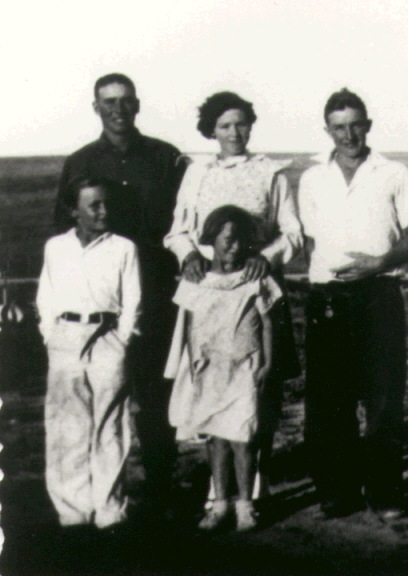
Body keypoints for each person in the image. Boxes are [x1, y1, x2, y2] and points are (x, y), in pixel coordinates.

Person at [54, 73, 186, 520]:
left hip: (157, 293)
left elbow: (184, 221)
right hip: (102, 302)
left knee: (155, 397)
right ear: (96, 108)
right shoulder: (80, 162)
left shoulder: (165, 157)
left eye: (125, 100)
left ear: (137, 105)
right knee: (96, 400)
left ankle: (160, 489)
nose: (118, 109)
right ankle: (95, 498)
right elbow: (63, 234)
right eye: (108, 101)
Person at [163, 91, 304, 501]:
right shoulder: (197, 174)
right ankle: (219, 486)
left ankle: (256, 482)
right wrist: (189, 255)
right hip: (210, 291)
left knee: (260, 382)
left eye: (241, 123)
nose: (234, 132)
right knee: (210, 379)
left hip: (257, 288)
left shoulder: (271, 173)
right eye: (224, 125)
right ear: (211, 130)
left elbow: (293, 232)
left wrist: (266, 257)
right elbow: (178, 231)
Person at [297, 88, 408, 519]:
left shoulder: (393, 172)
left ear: (368, 125)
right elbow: (313, 241)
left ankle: (385, 492)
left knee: (383, 398)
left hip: (379, 295)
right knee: (329, 400)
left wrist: (379, 263)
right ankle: (338, 490)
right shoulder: (313, 178)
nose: (348, 134)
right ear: (327, 130)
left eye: (356, 125)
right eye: (339, 127)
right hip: (329, 299)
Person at [164, 205, 282, 532]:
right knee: (216, 439)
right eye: (227, 239)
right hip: (209, 371)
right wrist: (194, 370)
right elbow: (189, 329)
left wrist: (267, 364)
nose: (234, 247)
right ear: (210, 240)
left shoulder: (256, 279)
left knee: (243, 437)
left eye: (241, 240)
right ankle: (219, 505)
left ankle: (245, 506)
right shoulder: (197, 281)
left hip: (245, 368)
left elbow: (268, 324)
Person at [37, 177, 141, 529]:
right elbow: (46, 296)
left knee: (111, 425)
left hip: (108, 338)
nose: (103, 211)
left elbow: (133, 301)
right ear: (74, 211)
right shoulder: (56, 248)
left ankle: (110, 509)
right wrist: (51, 335)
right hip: (65, 338)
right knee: (68, 425)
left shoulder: (123, 248)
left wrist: (122, 340)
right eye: (94, 205)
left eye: (107, 203)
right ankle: (73, 510)